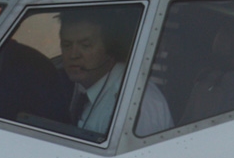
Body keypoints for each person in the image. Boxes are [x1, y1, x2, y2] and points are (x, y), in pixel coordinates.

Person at [59, 8, 174, 138]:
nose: (73, 55)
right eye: (67, 45)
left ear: (110, 48)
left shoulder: (131, 107)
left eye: (85, 46)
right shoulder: (82, 84)